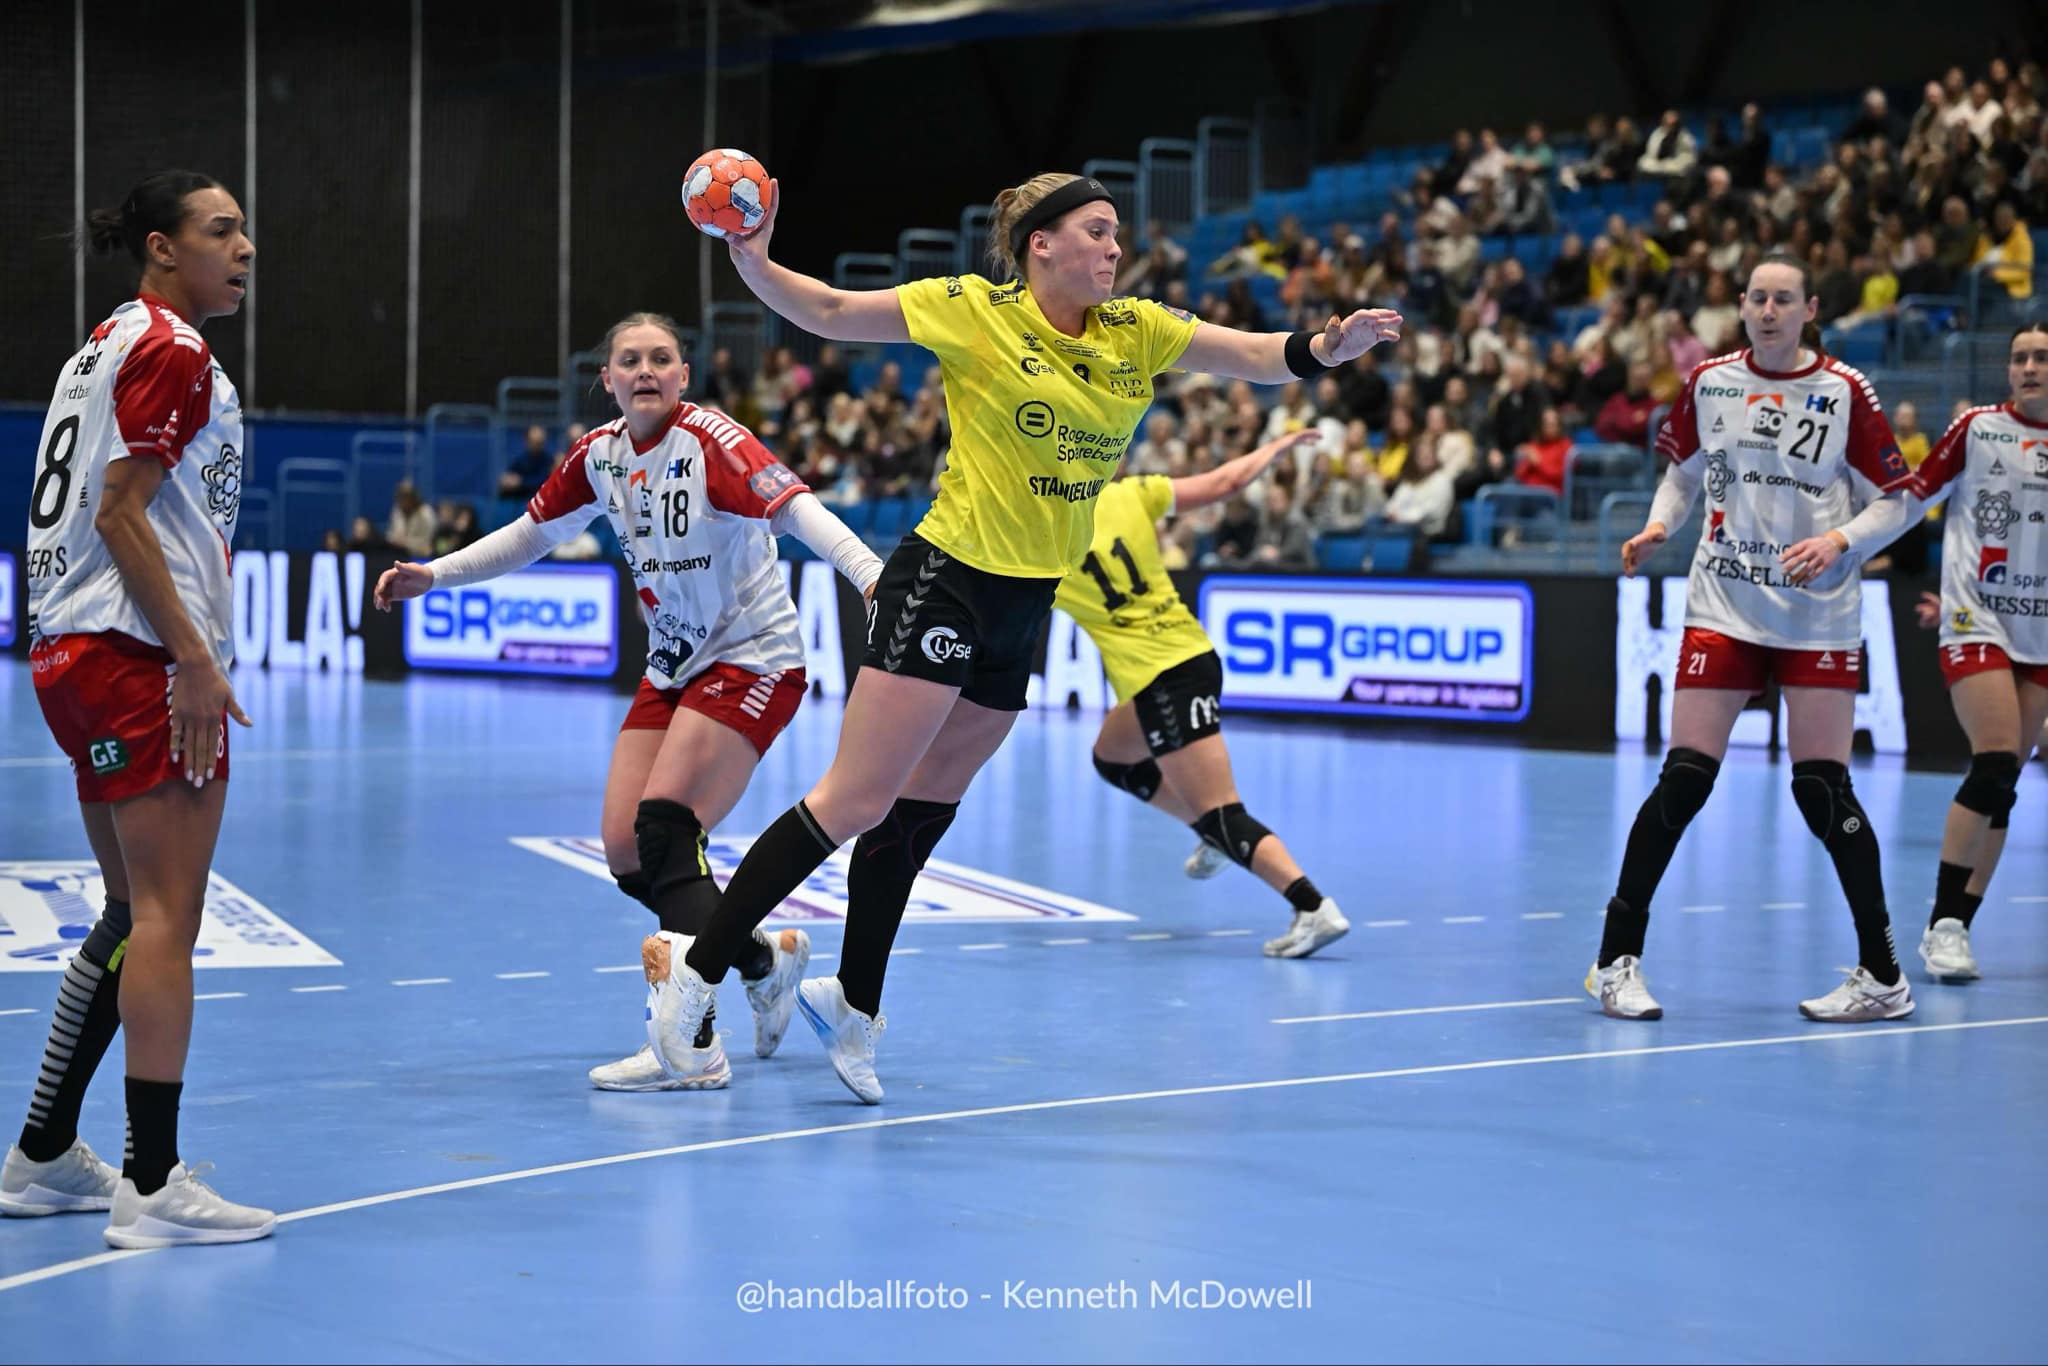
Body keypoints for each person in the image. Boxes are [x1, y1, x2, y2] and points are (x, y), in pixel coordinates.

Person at [643, 170, 1400, 1104]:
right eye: (1097, 231)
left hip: (1024, 603)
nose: (1115, 248)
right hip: (946, 581)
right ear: (1041, 243)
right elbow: (832, 310)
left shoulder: (1137, 329)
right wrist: (755, 262)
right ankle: (697, 978)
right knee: (856, 798)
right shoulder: (975, 310)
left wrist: (1326, 347)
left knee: (921, 815)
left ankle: (855, 1003)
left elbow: (1256, 355)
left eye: (1116, 233)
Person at [374, 313, 882, 1091]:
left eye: (661, 358)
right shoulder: (599, 455)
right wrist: (434, 574)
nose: (645, 370)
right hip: (673, 664)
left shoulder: (710, 441)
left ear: (683, 376)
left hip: (751, 658)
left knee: (667, 828)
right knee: (625, 849)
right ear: (607, 378)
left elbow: (794, 507)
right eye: (630, 360)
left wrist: (871, 575)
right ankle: (763, 962)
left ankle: (693, 1046)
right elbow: (530, 533)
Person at [0, 171, 273, 1246]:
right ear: (163, 247)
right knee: (167, 918)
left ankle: (40, 1154)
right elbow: (122, 513)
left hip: (69, 651)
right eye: (221, 230)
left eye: (244, 231)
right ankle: (153, 1186)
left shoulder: (100, 347)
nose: (243, 247)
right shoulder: (172, 347)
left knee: (126, 915)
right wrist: (194, 658)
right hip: (136, 653)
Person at [1590, 253, 1919, 1023]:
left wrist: (1838, 539)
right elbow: (1682, 474)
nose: (1770, 311)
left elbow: (1897, 501)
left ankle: (1883, 976)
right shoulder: (1710, 382)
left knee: (1821, 789)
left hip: (1816, 611)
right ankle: (1614, 961)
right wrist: (1659, 526)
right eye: (1758, 299)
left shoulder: (1845, 391)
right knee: (1684, 779)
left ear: (1810, 310)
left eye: (1784, 300)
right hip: (1725, 604)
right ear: (1741, 306)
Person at [1060, 430, 1350, 955]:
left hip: (1162, 677)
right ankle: (1210, 834)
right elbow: (1225, 482)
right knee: (1113, 757)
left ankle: (1312, 906)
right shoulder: (1132, 494)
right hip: (1192, 657)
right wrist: (1274, 449)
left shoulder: (1046, 544)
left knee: (1222, 811)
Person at [1904, 322, 2048, 981]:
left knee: (2005, 785)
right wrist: (1845, 541)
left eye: (2041, 358)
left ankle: (1960, 923)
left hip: (2039, 634)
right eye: (2019, 357)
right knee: (1993, 763)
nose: (2029, 367)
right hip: (1976, 620)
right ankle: (1942, 925)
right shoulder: (1978, 429)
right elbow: (1914, 496)